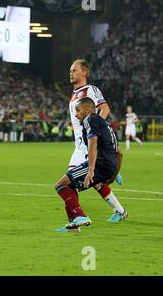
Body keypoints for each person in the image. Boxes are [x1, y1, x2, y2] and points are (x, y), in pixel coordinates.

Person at [54, 98, 127, 232]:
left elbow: (93, 143)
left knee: (60, 184)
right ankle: (74, 225)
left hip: (99, 165)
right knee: (69, 182)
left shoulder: (90, 120)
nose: (75, 115)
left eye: (78, 110)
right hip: (108, 165)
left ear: (88, 110)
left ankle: (81, 216)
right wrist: (115, 173)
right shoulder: (104, 124)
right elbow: (119, 152)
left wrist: (91, 170)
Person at [67, 59, 125, 222]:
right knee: (92, 181)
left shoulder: (90, 90)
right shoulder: (75, 95)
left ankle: (77, 219)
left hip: (87, 146)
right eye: (70, 71)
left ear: (84, 72)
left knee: (68, 181)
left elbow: (105, 108)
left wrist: (95, 129)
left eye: (75, 70)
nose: (71, 73)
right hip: (80, 145)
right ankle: (120, 211)